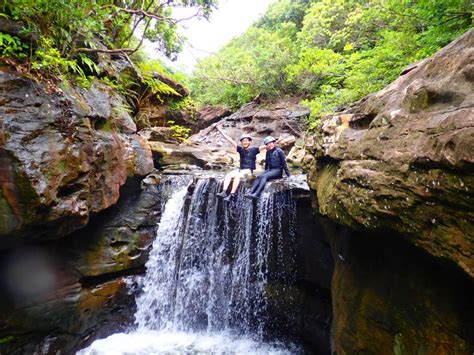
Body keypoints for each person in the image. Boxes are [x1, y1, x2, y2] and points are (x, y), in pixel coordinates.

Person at [215, 125, 261, 201]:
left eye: (246, 140)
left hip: (248, 170)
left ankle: (232, 194)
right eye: (243, 141)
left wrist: (275, 142)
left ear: (249, 142)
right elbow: (230, 140)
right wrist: (221, 131)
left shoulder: (254, 150)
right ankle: (224, 192)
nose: (245, 142)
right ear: (241, 142)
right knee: (228, 175)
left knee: (237, 176)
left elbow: (265, 146)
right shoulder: (240, 149)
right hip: (241, 169)